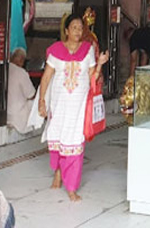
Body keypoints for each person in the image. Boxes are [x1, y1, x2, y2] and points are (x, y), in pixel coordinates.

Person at [38, 13, 109, 201]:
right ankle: (58, 173)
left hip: (79, 106)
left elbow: (92, 76)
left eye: (80, 28)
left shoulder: (87, 50)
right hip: (59, 105)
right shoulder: (55, 50)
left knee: (75, 142)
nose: (78, 31)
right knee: (58, 137)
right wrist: (42, 101)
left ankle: (71, 187)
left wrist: (100, 64)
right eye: (74, 28)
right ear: (67, 30)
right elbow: (46, 77)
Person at [7, 48, 36, 134]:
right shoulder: (21, 72)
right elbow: (31, 95)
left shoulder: (4, 69)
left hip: (5, 116)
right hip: (17, 119)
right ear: (21, 60)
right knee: (34, 101)